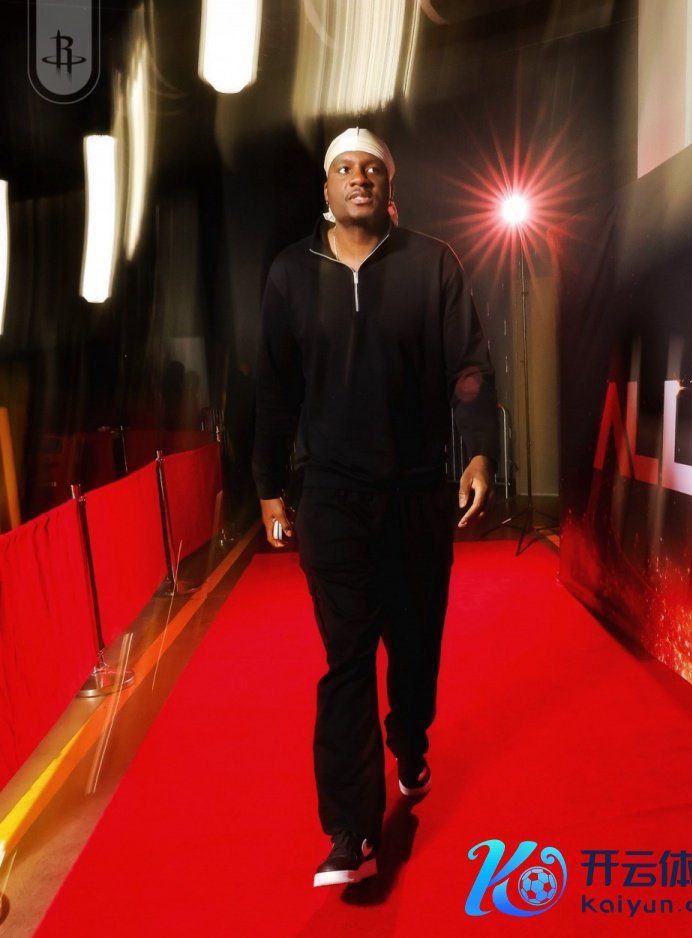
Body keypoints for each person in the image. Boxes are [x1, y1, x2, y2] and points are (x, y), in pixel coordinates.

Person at [252, 127, 498, 887]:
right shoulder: (291, 273)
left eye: (371, 168)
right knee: (347, 659)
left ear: (389, 187)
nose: (358, 177)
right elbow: (275, 386)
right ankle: (351, 831)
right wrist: (267, 484)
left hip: (417, 492)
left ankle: (411, 741)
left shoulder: (433, 262)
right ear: (326, 189)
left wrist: (478, 450)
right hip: (331, 495)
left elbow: (469, 368)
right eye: (343, 168)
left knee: (415, 646)